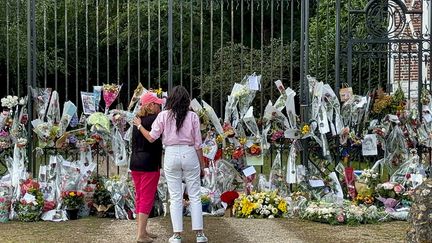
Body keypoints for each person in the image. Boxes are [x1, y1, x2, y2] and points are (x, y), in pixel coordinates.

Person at [133, 86, 208, 243]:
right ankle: (199, 234)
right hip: (189, 154)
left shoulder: (163, 115)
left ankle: (177, 235)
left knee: (175, 197)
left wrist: (139, 126)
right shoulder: (193, 116)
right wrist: (202, 166)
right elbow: (198, 144)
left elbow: (152, 137)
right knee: (194, 195)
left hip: (171, 154)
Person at [130, 92, 164, 243]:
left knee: (139, 197)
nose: (160, 106)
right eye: (157, 104)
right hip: (150, 164)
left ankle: (142, 230)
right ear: (151, 105)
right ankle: (141, 235)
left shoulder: (138, 120)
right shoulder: (156, 119)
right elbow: (152, 138)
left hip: (136, 163)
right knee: (147, 198)